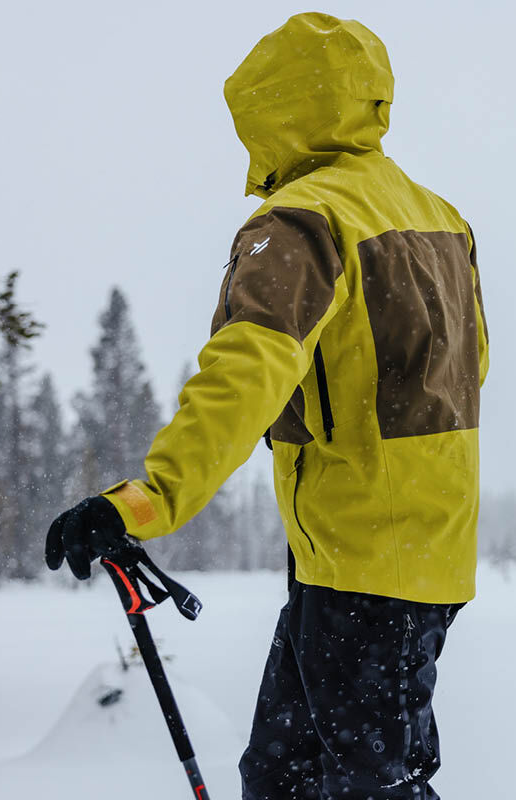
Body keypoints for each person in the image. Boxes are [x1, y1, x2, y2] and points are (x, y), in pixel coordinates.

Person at [45, 12, 489, 799]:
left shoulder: (304, 221)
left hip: (358, 562)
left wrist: (147, 500)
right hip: (421, 558)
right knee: (287, 776)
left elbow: (245, 372)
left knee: (360, 786)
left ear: (279, 109)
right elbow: (468, 366)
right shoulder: (440, 218)